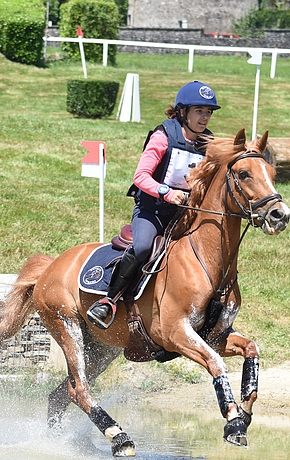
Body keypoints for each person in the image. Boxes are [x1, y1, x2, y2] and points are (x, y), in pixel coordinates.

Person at [86, 80, 219, 329]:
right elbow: (141, 177)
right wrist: (167, 193)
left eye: (208, 112)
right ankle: (109, 301)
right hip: (153, 211)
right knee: (144, 246)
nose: (205, 118)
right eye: (199, 111)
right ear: (183, 112)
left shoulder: (208, 143)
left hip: (185, 215)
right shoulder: (163, 136)